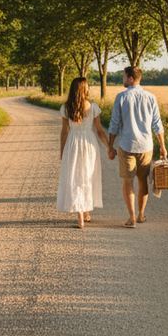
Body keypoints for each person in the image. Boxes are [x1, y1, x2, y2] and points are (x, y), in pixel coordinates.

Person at [107, 66, 167, 228]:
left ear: (131, 78)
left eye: (124, 76)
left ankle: (132, 217)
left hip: (127, 145)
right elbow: (157, 124)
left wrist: (110, 146)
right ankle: (141, 215)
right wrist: (162, 146)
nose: (123, 79)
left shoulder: (121, 97)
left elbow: (114, 124)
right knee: (142, 181)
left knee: (128, 181)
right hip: (146, 146)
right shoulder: (151, 97)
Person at [57, 77, 110, 229]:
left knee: (75, 177)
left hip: (73, 143)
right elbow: (99, 131)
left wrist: (62, 151)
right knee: (87, 176)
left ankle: (82, 214)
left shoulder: (66, 107)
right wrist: (108, 146)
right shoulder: (92, 107)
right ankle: (84, 212)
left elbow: (64, 132)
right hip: (89, 144)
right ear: (85, 89)